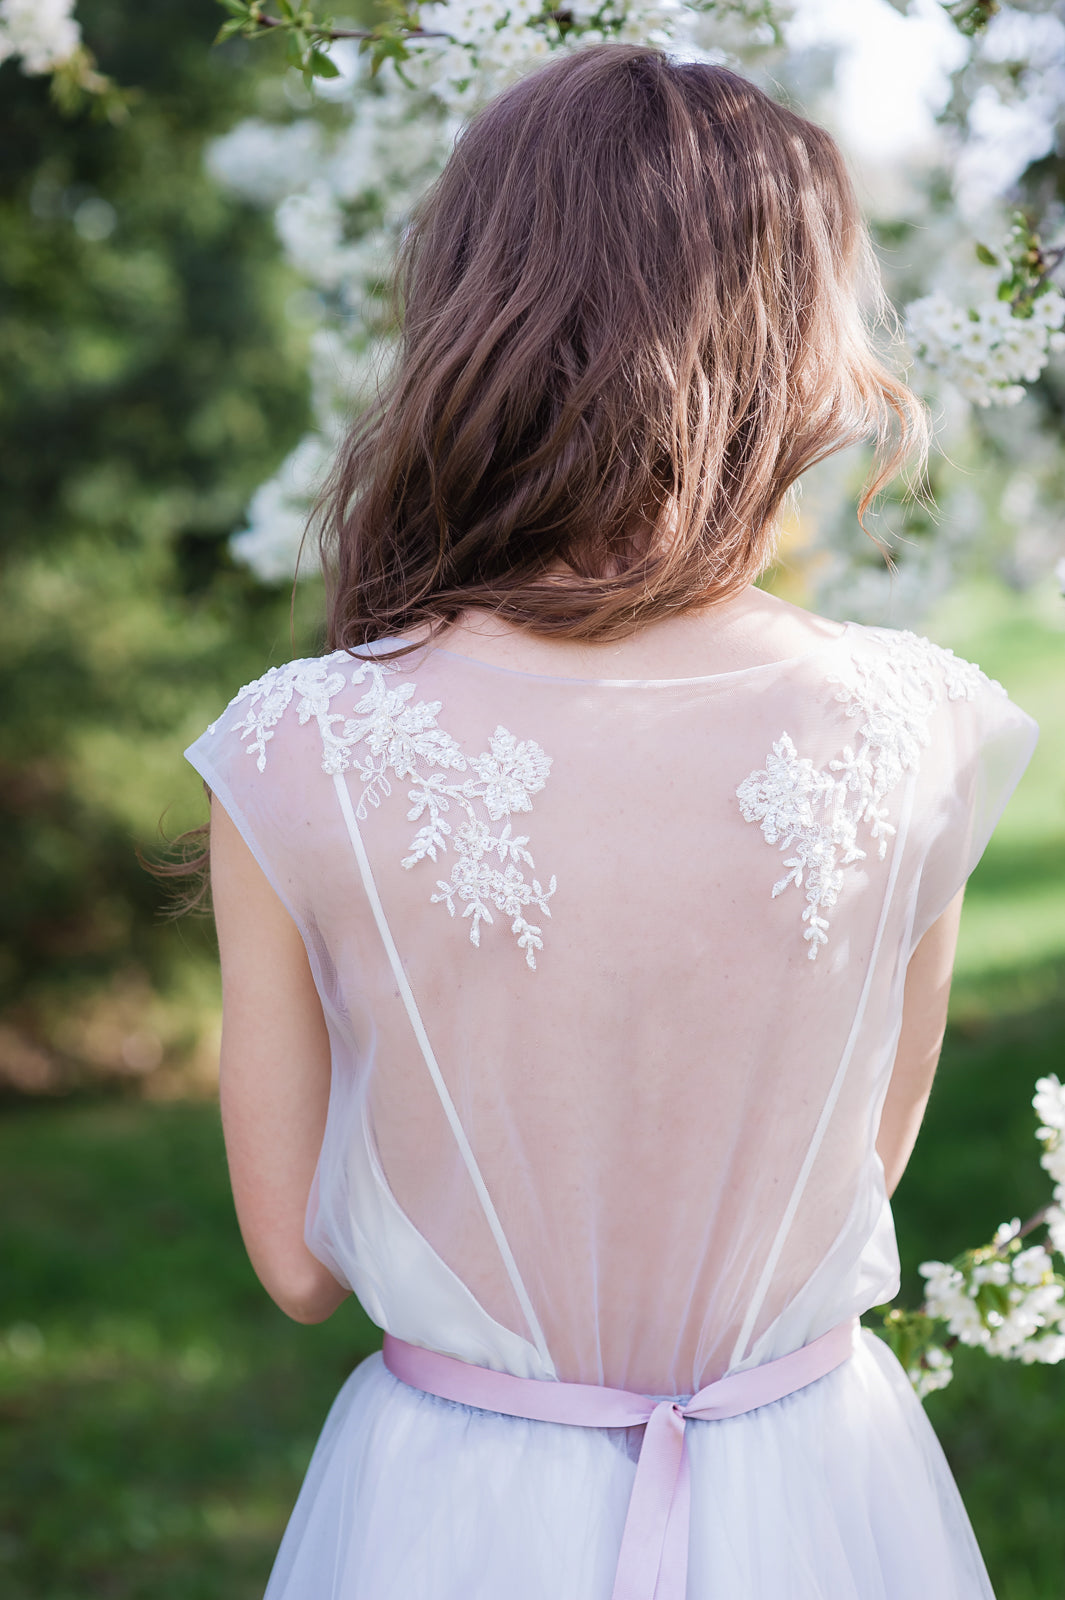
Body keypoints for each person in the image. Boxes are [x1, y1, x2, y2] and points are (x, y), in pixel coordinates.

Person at [185, 44, 1038, 1599]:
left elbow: (299, 1265)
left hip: (453, 1508)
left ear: (469, 315)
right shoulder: (928, 727)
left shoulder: (296, 746)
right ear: (794, 345)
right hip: (813, 1489)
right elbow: (866, 1157)